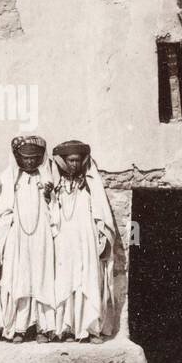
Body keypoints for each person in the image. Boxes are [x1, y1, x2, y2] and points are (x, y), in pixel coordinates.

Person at [0, 136, 57, 342]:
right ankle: (19, 328)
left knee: (41, 277)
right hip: (17, 235)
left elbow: (55, 209)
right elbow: (3, 209)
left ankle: (42, 328)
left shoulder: (47, 178)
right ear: (18, 158)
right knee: (18, 278)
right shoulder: (10, 178)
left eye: (34, 158)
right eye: (25, 158)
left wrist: (49, 196)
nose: (29, 162)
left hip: (42, 235)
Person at [49, 140, 115, 343]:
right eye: (70, 160)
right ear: (63, 161)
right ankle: (68, 328)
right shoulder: (56, 185)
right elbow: (53, 213)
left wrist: (102, 237)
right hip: (65, 240)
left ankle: (90, 329)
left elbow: (101, 213)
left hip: (85, 239)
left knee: (87, 280)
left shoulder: (90, 183)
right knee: (66, 280)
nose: (74, 165)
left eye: (77, 160)